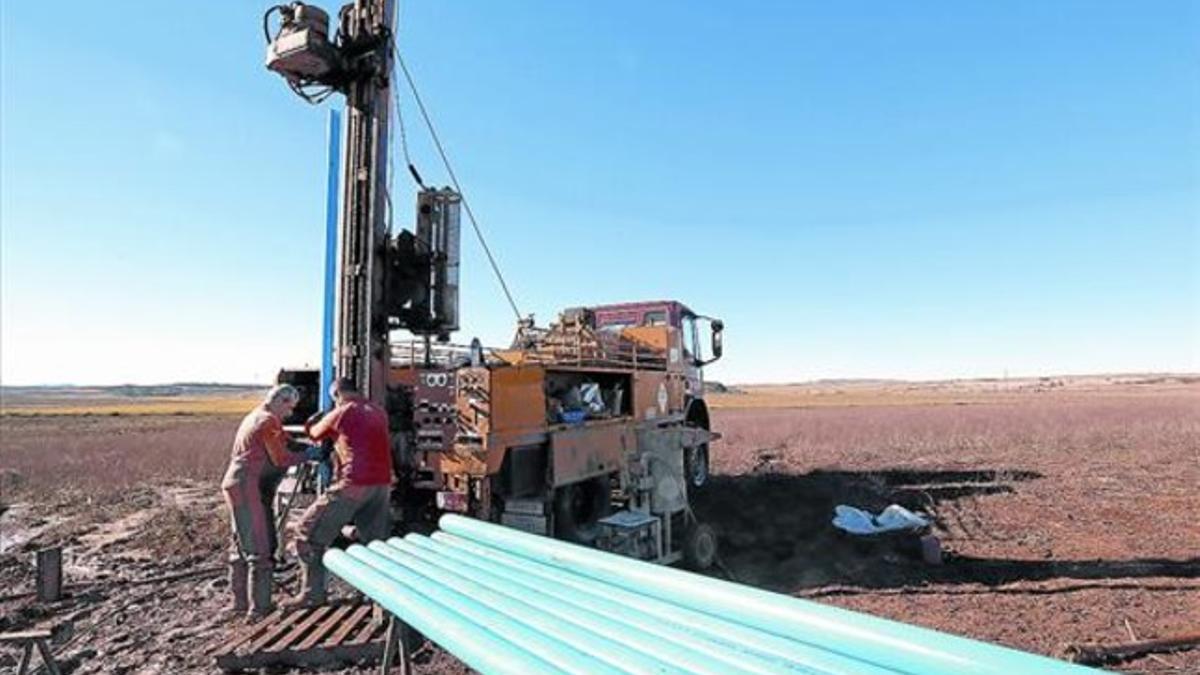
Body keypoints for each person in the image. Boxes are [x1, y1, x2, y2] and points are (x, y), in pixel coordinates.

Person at [286, 377, 393, 607]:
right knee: (375, 543)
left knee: (306, 533)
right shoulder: (378, 411)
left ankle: (312, 593)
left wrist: (315, 420)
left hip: (353, 484)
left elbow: (314, 434)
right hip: (382, 485)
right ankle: (375, 596)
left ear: (337, 395)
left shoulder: (342, 412)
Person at [221, 384, 317, 618]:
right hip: (249, 485)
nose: (290, 414)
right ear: (280, 401)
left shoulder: (255, 416)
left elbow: (285, 442)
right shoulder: (267, 421)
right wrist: (309, 455)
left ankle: (240, 602)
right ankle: (259, 608)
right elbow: (281, 457)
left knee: (241, 541)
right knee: (260, 548)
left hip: (238, 484)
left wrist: (306, 447)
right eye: (289, 408)